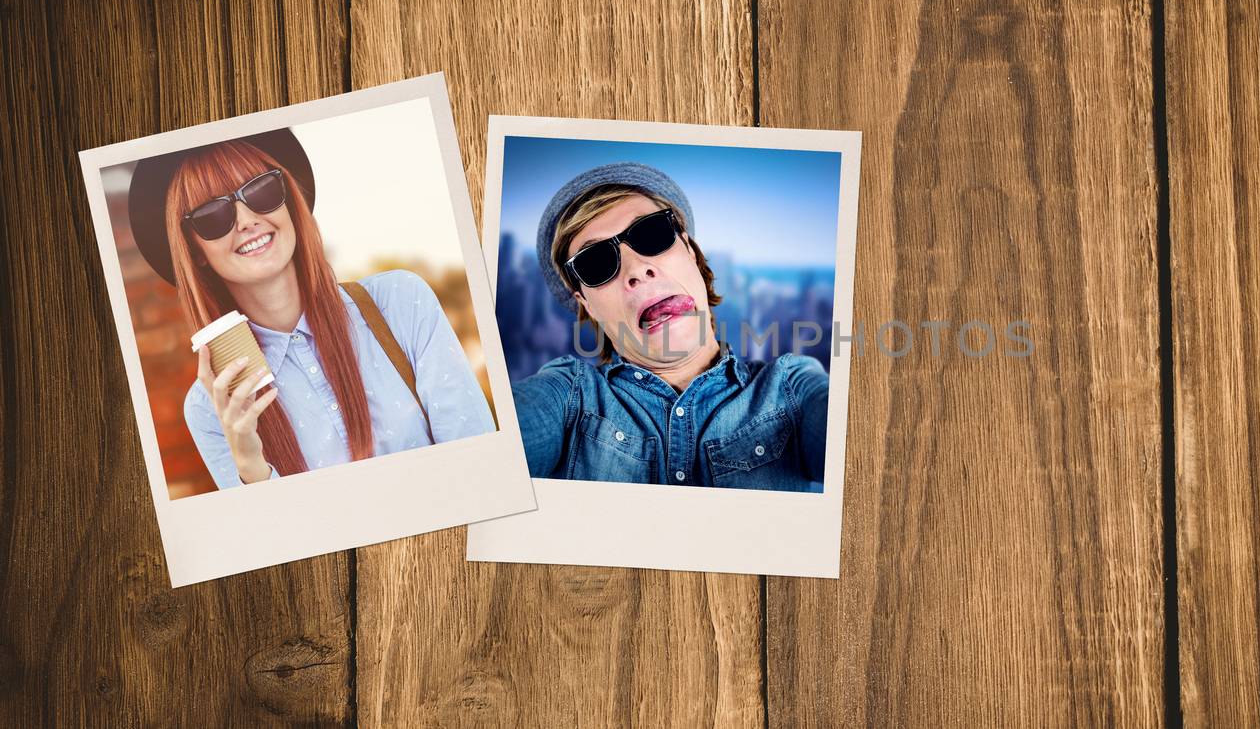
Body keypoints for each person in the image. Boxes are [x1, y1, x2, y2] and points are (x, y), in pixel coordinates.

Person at [127, 129, 495, 489]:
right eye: (212, 215)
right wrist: (251, 467)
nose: (246, 220)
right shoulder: (210, 409)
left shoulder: (400, 302)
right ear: (196, 253)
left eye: (260, 190)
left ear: (288, 202)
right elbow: (279, 547)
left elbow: (480, 469)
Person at [512, 162, 828, 492]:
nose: (638, 269)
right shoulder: (568, 396)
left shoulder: (792, 388)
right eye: (597, 263)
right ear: (586, 304)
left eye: (652, 234)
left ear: (690, 251)